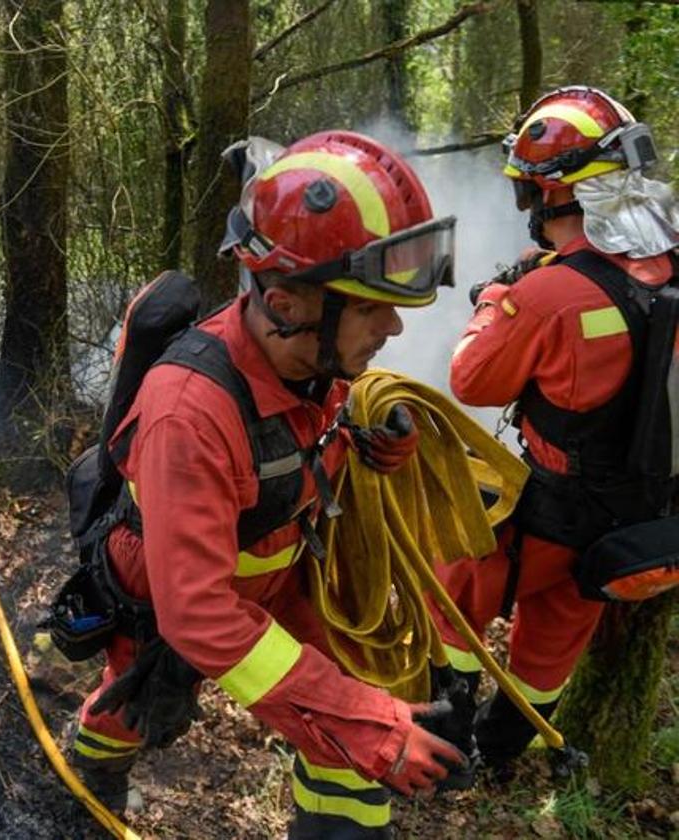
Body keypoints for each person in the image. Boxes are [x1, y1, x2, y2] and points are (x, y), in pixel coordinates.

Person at [69, 130, 465, 838]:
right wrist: (373, 726)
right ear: (286, 303)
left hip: (279, 573)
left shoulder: (314, 363)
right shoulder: (188, 413)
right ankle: (90, 776)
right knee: (136, 702)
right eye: (372, 307)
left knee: (353, 728)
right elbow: (200, 615)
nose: (396, 326)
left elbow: (303, 444)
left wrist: (377, 445)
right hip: (167, 595)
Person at [430, 85, 679, 775]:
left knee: (450, 585)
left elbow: (472, 381)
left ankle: (444, 733)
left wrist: (496, 299)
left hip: (552, 510)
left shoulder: (545, 294)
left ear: (555, 194)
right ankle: (505, 750)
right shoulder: (668, 267)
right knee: (556, 637)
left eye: (531, 193)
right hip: (640, 521)